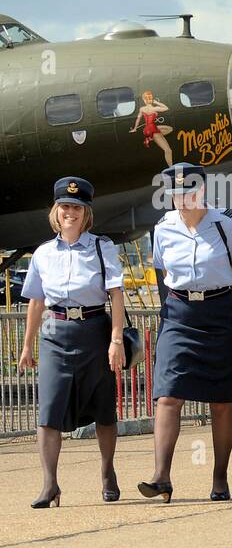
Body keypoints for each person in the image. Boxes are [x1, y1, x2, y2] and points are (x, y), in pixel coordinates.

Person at [139, 163, 232, 503]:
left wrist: (224, 309)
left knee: (219, 401)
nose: (181, 199)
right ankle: (161, 476)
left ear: (202, 191)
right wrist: (172, 310)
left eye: (188, 192)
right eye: (174, 193)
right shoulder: (163, 229)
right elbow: (161, 273)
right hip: (179, 313)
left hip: (219, 313)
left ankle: (219, 477)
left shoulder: (226, 226)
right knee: (168, 395)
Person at [17, 177, 127, 508]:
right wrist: (26, 346)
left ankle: (108, 472)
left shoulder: (101, 247)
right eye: (65, 206)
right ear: (56, 211)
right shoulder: (43, 253)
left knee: (103, 409)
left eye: (77, 207)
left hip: (95, 330)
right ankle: (50, 485)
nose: (70, 212)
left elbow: (116, 294)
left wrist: (116, 339)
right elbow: (36, 301)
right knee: (48, 410)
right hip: (55, 333)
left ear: (86, 212)